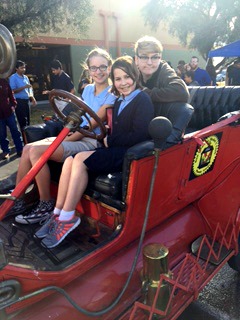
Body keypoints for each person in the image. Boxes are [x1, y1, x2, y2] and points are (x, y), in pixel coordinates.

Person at [35, 55, 154, 248]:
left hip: (129, 153)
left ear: (135, 76)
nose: (123, 83)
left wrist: (109, 139)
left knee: (80, 160)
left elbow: (140, 135)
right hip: (114, 147)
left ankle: (67, 218)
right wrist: (107, 135)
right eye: (118, 79)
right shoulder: (120, 100)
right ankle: (57, 215)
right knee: (70, 160)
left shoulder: (142, 99)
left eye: (127, 77)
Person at [11, 48, 116, 223]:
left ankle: (45, 205)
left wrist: (64, 138)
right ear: (88, 70)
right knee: (28, 147)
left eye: (102, 67)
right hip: (75, 133)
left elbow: (91, 125)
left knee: (37, 152)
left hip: (91, 141)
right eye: (94, 68)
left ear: (109, 67)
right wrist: (64, 132)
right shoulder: (88, 89)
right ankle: (17, 198)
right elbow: (78, 117)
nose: (98, 72)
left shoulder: (112, 94)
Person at [134, 36, 189, 103]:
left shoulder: (164, 70)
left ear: (160, 58)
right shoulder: (132, 73)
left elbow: (181, 92)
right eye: (144, 57)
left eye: (154, 57)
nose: (149, 62)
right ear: (136, 59)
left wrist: (145, 93)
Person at [9, 60, 37, 131]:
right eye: (21, 68)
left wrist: (32, 98)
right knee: (22, 121)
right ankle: (24, 137)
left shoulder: (25, 77)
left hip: (26, 101)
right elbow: (12, 91)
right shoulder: (13, 78)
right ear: (16, 68)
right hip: (19, 101)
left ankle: (28, 136)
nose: (23, 69)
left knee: (28, 120)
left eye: (24, 68)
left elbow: (29, 89)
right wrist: (23, 87)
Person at [0, 78, 23, 160]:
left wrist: (13, 105)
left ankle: (20, 149)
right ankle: (6, 151)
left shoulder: (3, 81)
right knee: (2, 134)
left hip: (9, 112)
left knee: (15, 131)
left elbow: (11, 94)